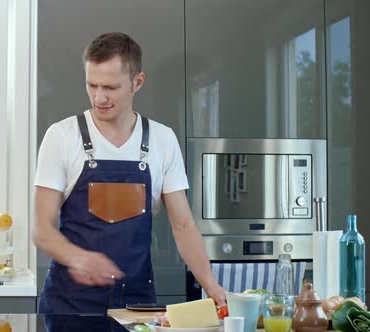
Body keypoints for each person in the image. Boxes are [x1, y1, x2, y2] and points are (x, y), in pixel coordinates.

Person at [32, 32, 226, 314]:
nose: (99, 97)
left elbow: (183, 225)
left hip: (139, 304)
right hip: (71, 306)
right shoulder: (61, 136)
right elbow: (41, 228)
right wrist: (78, 258)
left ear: (137, 82)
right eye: (92, 84)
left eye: (110, 87)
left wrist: (210, 284)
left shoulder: (162, 139)